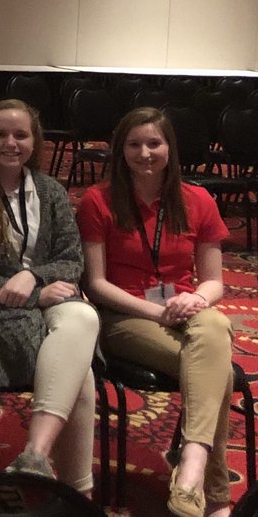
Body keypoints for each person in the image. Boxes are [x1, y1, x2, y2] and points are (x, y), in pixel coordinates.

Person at [77, 107, 234, 517]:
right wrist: (154, 310)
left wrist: (197, 299)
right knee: (216, 369)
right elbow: (95, 285)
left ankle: (191, 466)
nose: (145, 152)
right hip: (123, 316)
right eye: (134, 144)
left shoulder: (197, 199)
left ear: (170, 148)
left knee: (214, 323)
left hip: (186, 309)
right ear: (119, 150)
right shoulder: (98, 201)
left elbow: (215, 282)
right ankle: (214, 490)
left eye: (154, 143)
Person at [0, 99, 98, 492]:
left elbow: (71, 258)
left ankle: (36, 457)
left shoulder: (50, 190)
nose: (11, 143)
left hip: (50, 302)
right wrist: (31, 297)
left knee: (84, 318)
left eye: (20, 134)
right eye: (1, 134)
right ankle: (76, 492)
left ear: (35, 140)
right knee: (80, 372)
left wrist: (32, 277)